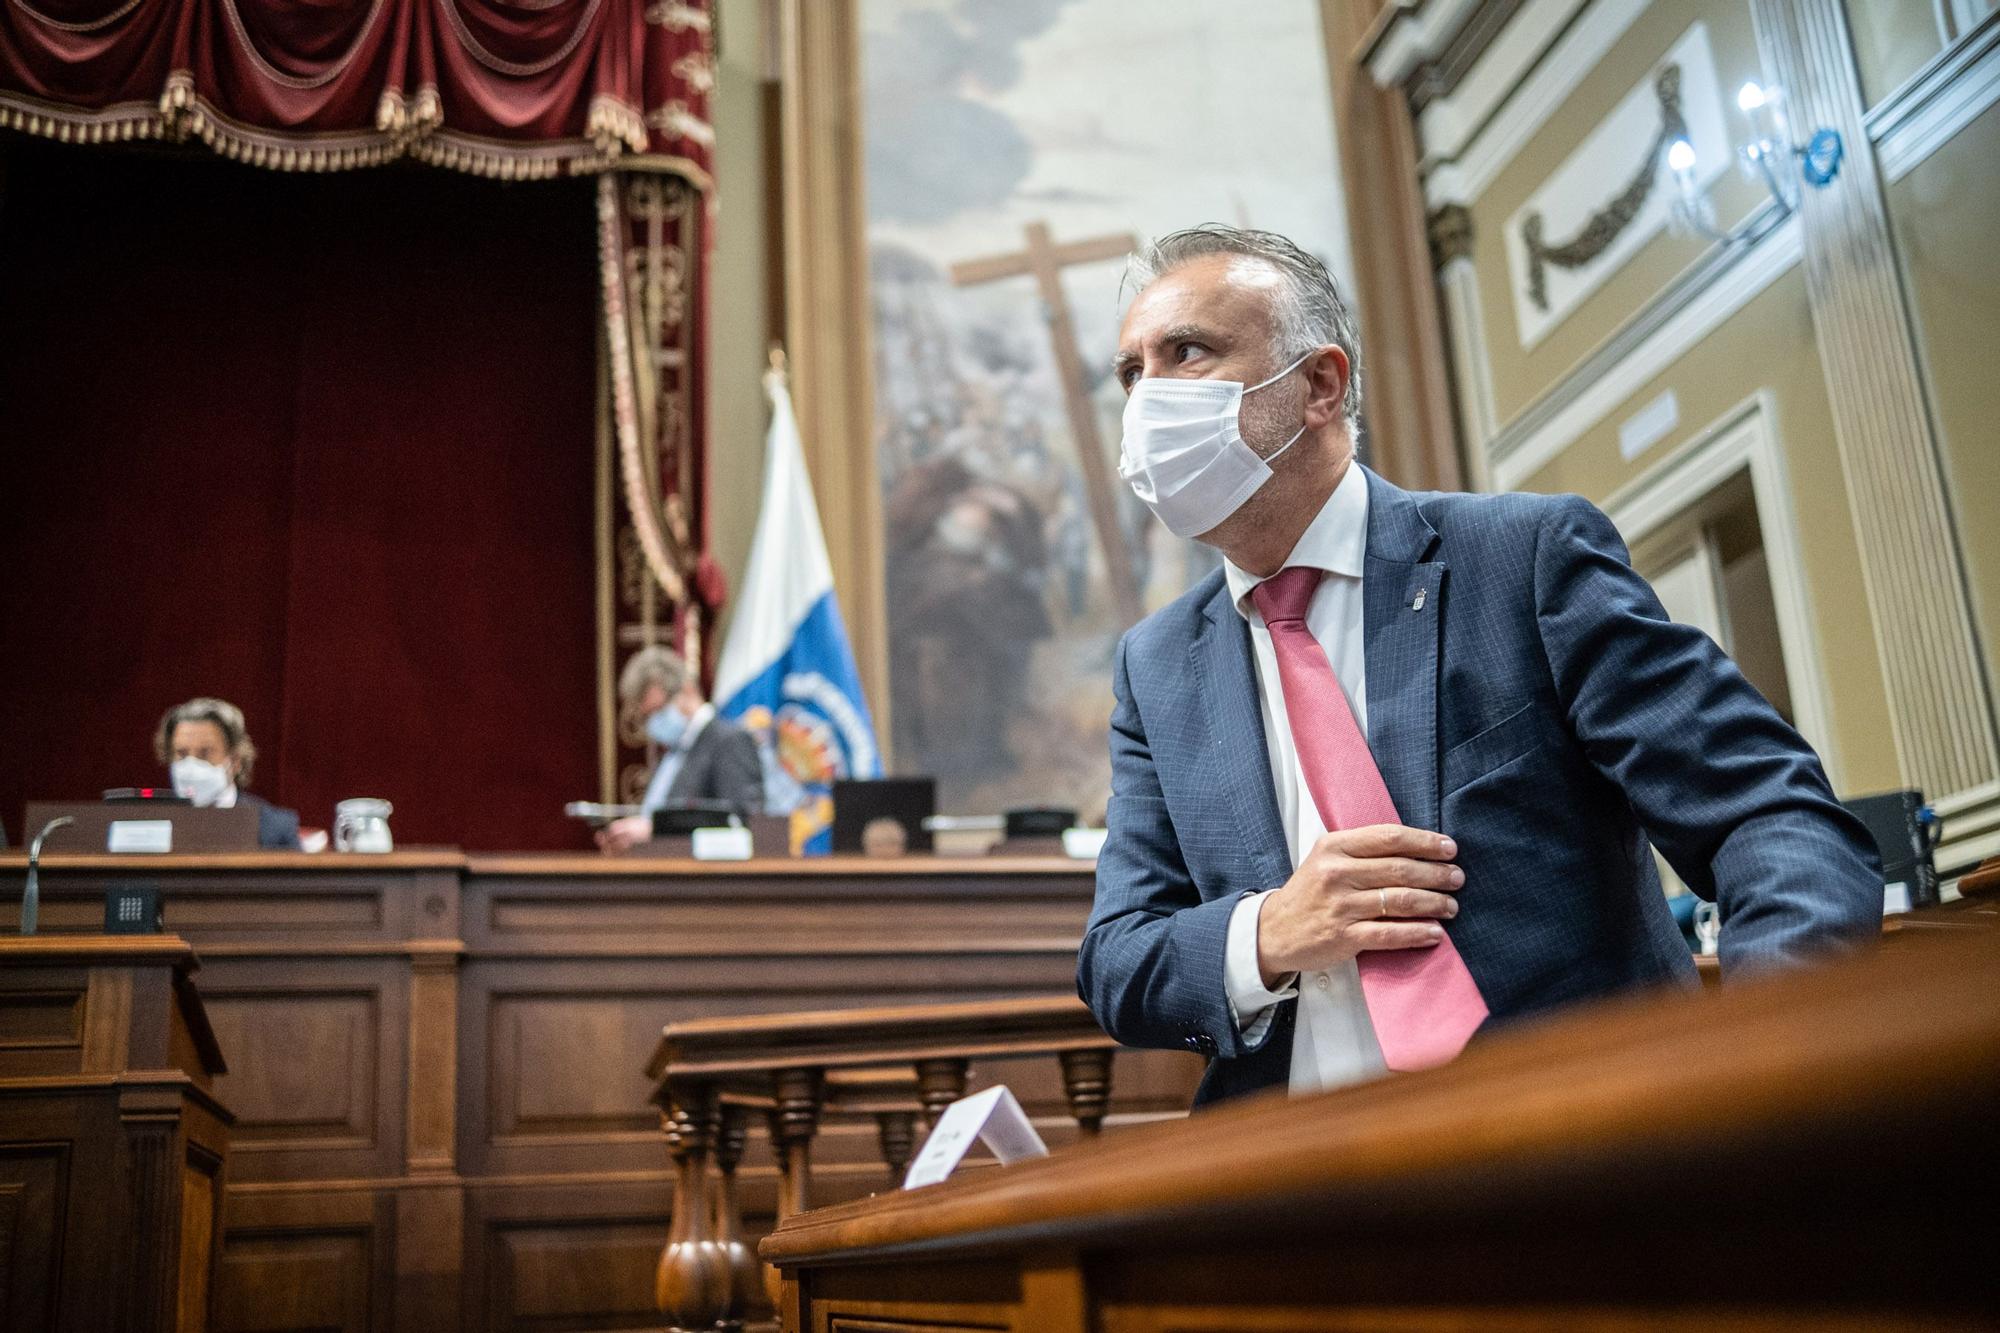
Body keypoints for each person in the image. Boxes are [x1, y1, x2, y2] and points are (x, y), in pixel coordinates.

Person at [1076, 225, 1881, 1107]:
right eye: (1131, 372)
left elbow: (1767, 816)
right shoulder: (1156, 668)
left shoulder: (1521, 558)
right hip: (1298, 1180)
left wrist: (1772, 1059)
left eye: (1185, 352)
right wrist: (1268, 932)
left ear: (1318, 383)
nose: (1148, 400)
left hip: (1579, 1135)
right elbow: (1119, 956)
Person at [598, 646, 764, 853]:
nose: (654, 723)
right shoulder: (673, 752)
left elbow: (741, 823)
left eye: (659, 710)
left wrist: (655, 831)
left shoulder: (729, 742)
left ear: (687, 690)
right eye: (647, 716)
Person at [155, 697, 302, 850]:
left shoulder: (274, 828)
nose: (191, 766)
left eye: (205, 754)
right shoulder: (152, 823)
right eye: (182, 754)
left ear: (235, 761)